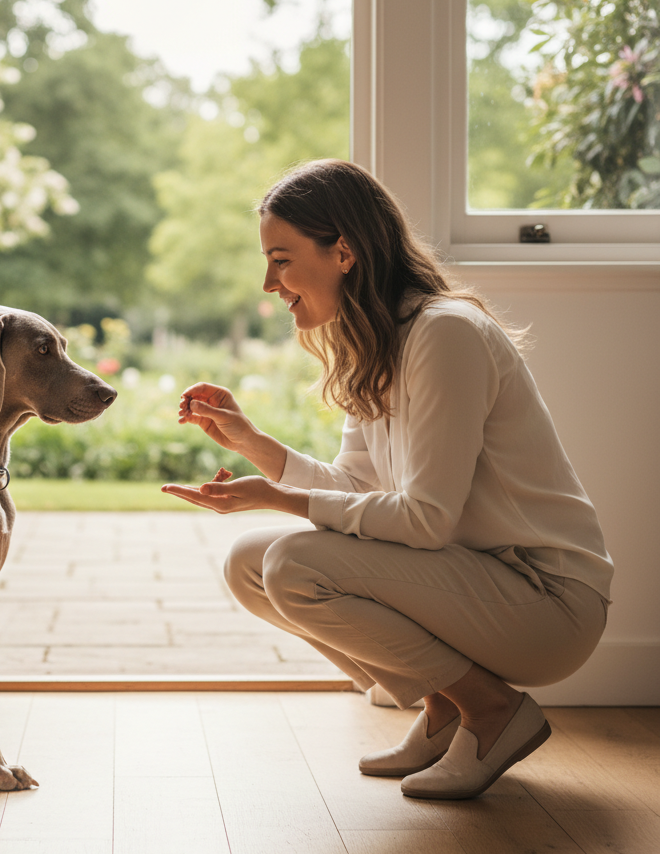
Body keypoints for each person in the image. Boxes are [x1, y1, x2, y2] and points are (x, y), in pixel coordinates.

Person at [162, 159, 612, 800]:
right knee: (250, 563)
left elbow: (425, 521)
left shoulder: (444, 334)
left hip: (547, 602)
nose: (269, 282)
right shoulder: (376, 343)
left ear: (342, 251)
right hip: (478, 581)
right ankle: (445, 706)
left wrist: (282, 499)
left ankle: (492, 711)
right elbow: (358, 487)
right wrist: (256, 447)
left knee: (293, 564)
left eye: (282, 259)